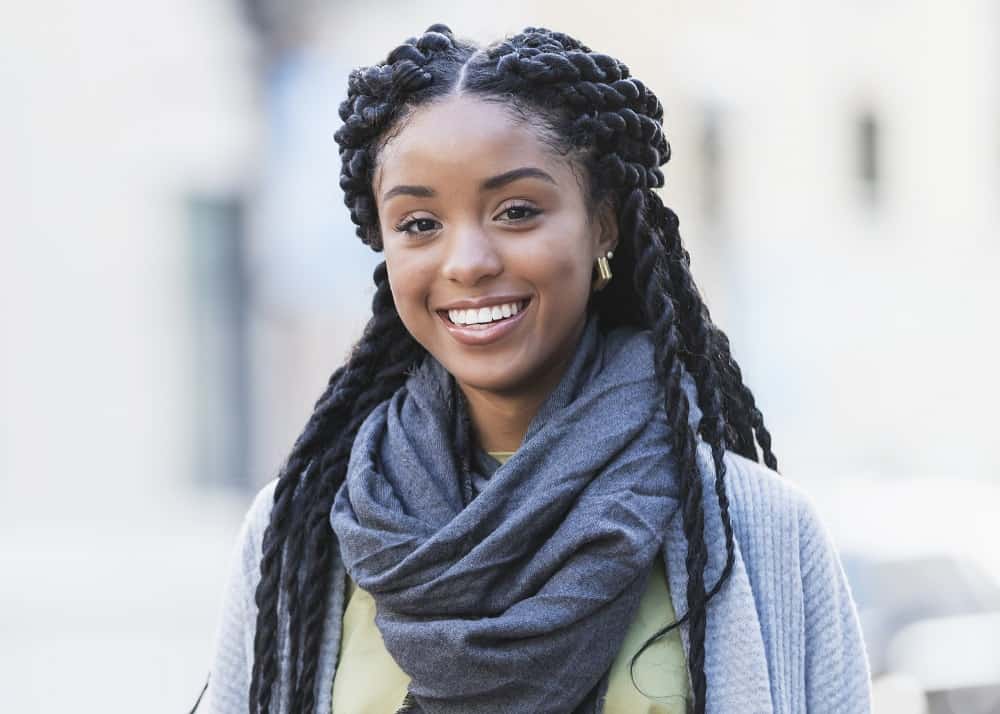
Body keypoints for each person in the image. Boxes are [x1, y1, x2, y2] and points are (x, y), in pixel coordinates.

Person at [197, 23, 872, 714]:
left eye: (516, 212)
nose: (467, 262)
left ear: (603, 223)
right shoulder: (302, 531)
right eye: (419, 224)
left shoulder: (755, 530)